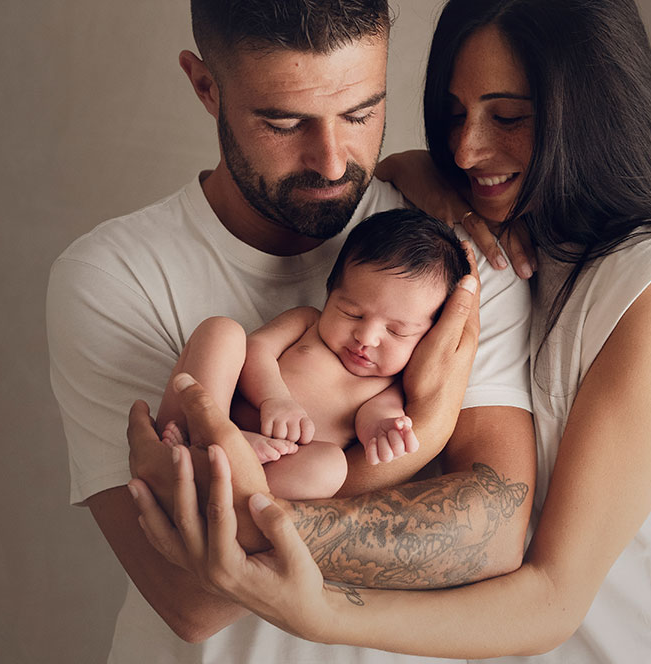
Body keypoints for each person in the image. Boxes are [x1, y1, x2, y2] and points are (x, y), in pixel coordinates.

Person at [131, 0, 651, 662]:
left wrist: (316, 607)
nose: (465, 150)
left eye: (508, 117)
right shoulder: (511, 244)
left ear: (593, 113)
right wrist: (408, 168)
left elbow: (551, 596)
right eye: (454, 114)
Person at [47, 0, 534, 663]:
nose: (335, 161)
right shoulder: (112, 276)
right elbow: (191, 601)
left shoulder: (447, 255)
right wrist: (423, 446)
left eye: (362, 112)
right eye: (283, 124)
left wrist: (235, 526)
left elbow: (496, 530)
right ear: (206, 89)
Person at [155, 209, 470, 499]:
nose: (366, 337)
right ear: (330, 291)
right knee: (222, 331)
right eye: (351, 312)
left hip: (271, 464)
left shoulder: (388, 385)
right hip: (215, 414)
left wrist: (383, 430)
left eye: (396, 331)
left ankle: (225, 471)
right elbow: (257, 349)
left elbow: (375, 416)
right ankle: (209, 437)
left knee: (331, 467)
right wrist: (274, 398)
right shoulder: (308, 322)